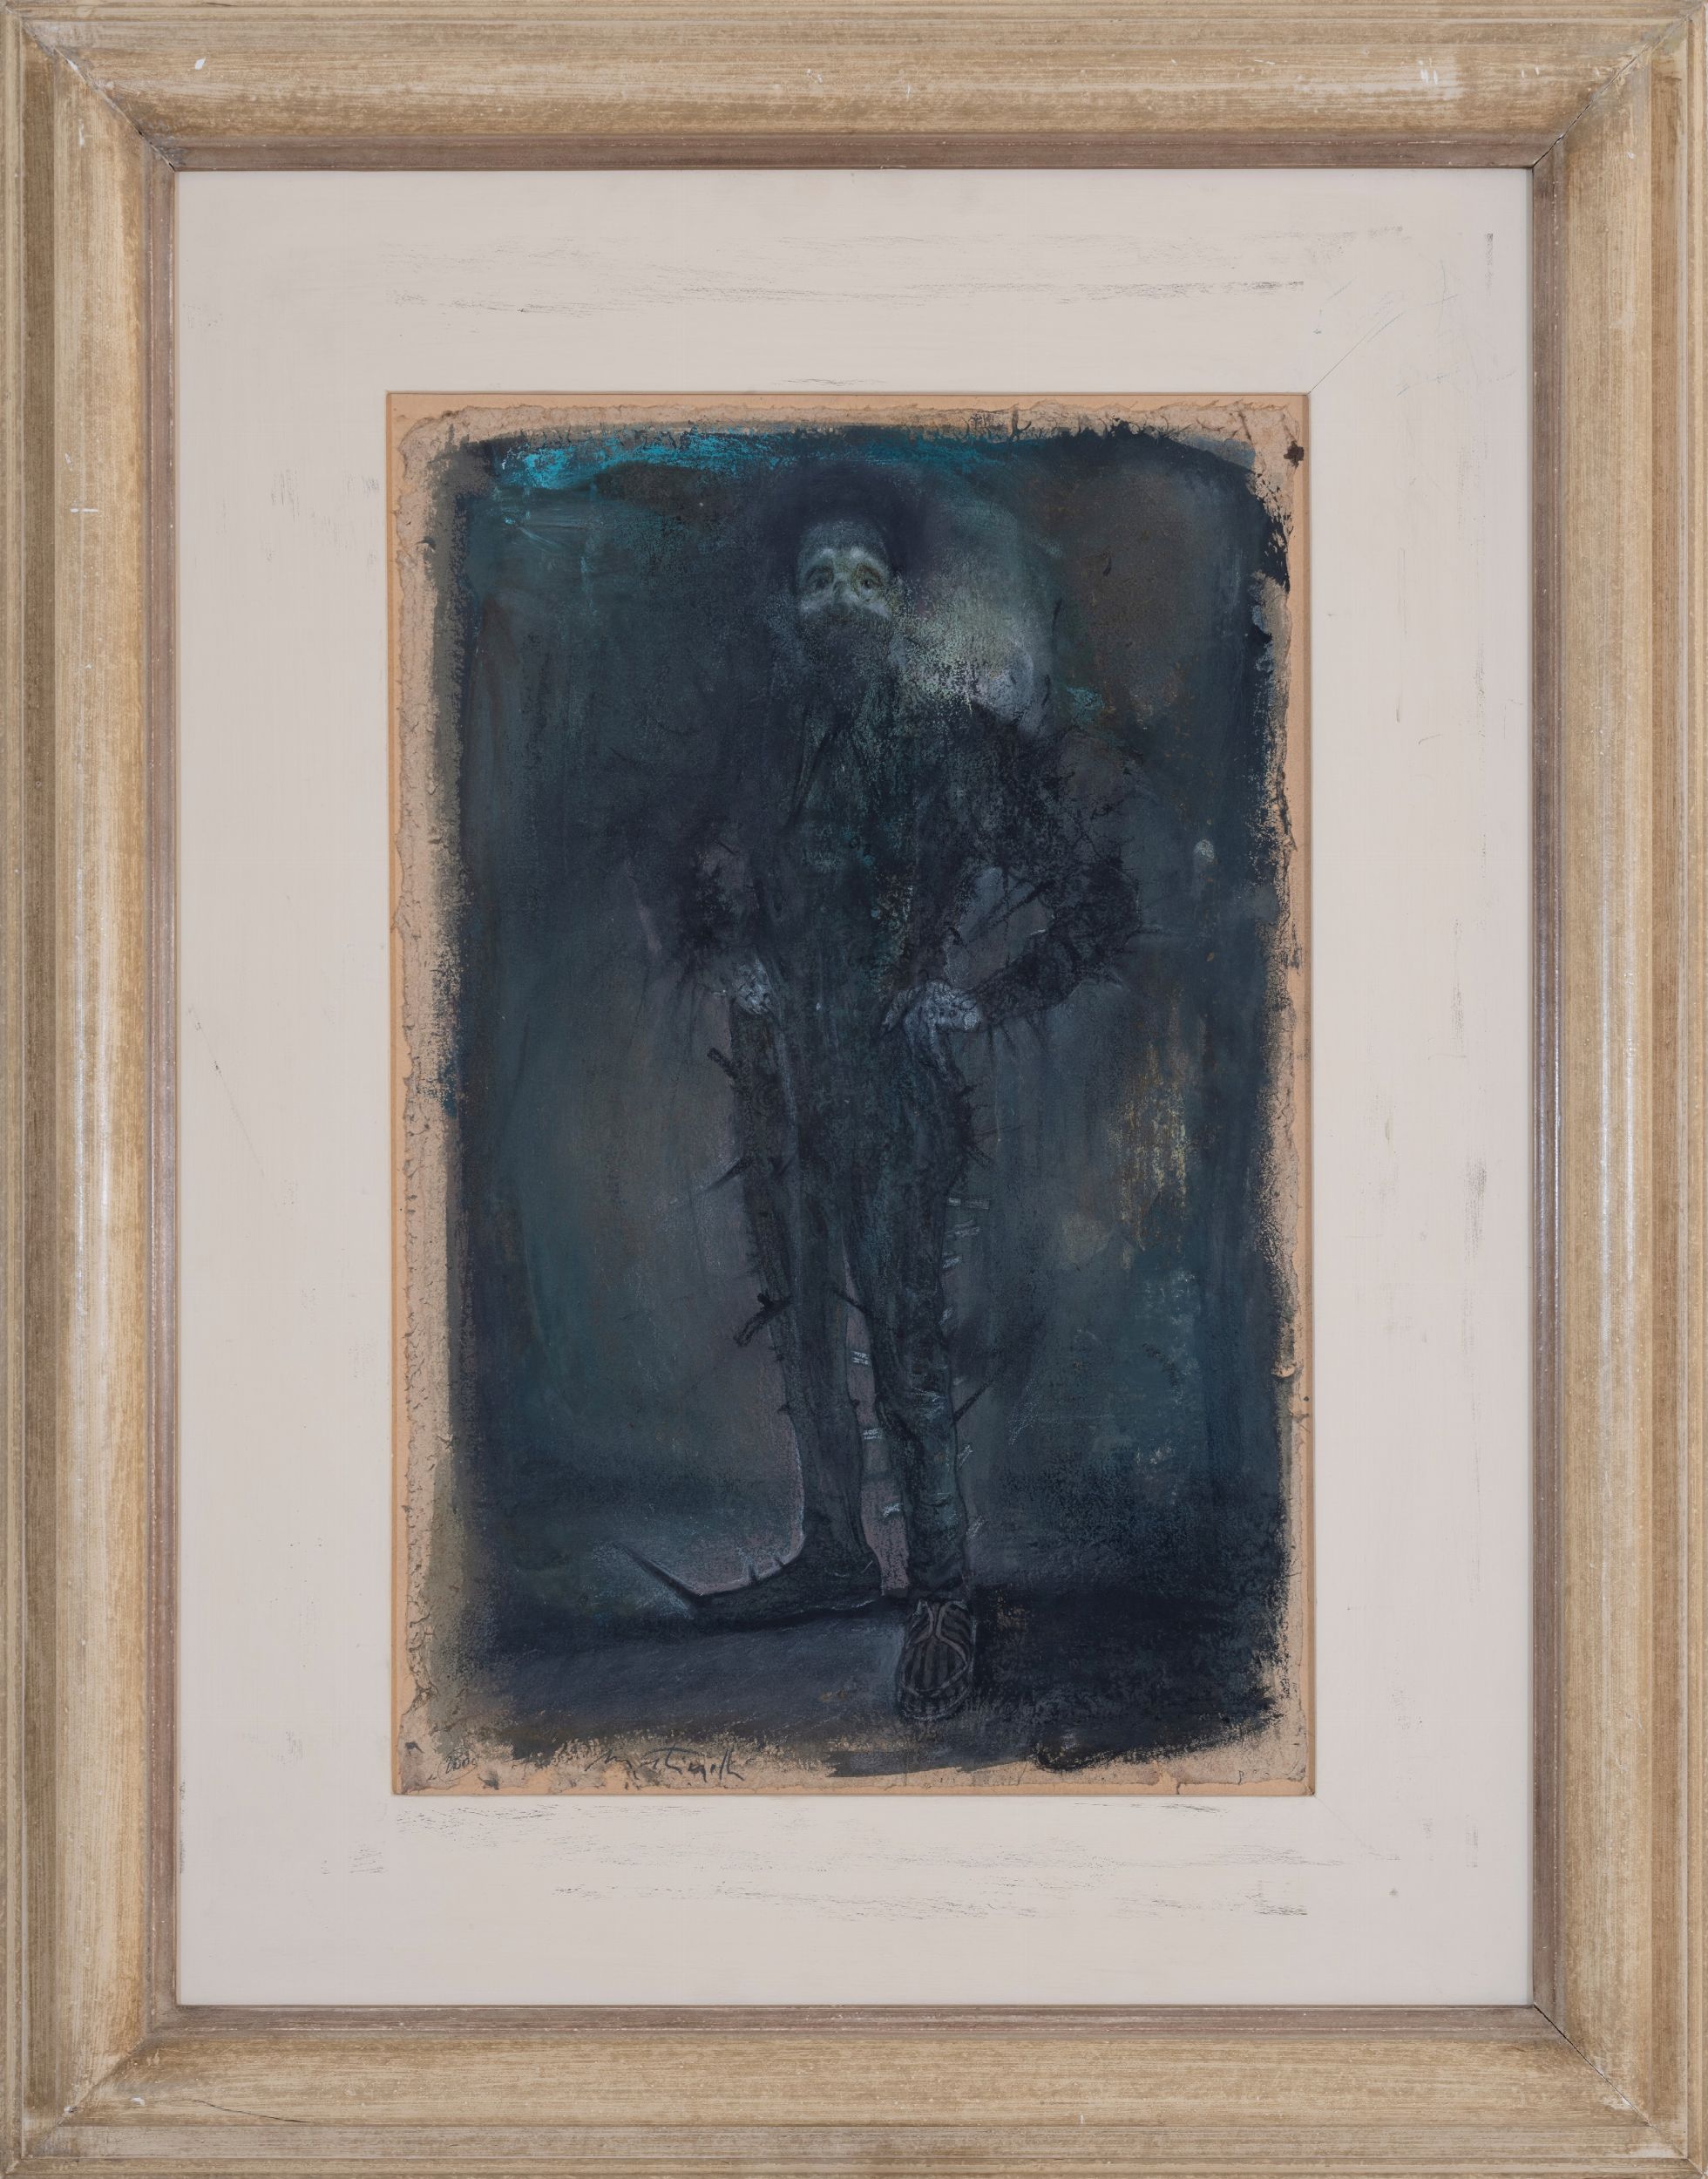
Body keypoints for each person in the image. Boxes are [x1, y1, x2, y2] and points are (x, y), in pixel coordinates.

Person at [641, 498, 1132, 1722]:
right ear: (794, 604)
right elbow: (678, 869)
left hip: (897, 1089)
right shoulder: (761, 746)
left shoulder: (953, 745)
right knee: (804, 1324)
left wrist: (983, 996)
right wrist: (729, 953)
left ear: (898, 604)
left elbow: (1095, 895)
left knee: (907, 1349)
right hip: (782, 1084)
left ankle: (943, 1597)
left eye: (866, 577)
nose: (842, 599)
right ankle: (835, 1552)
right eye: (822, 578)